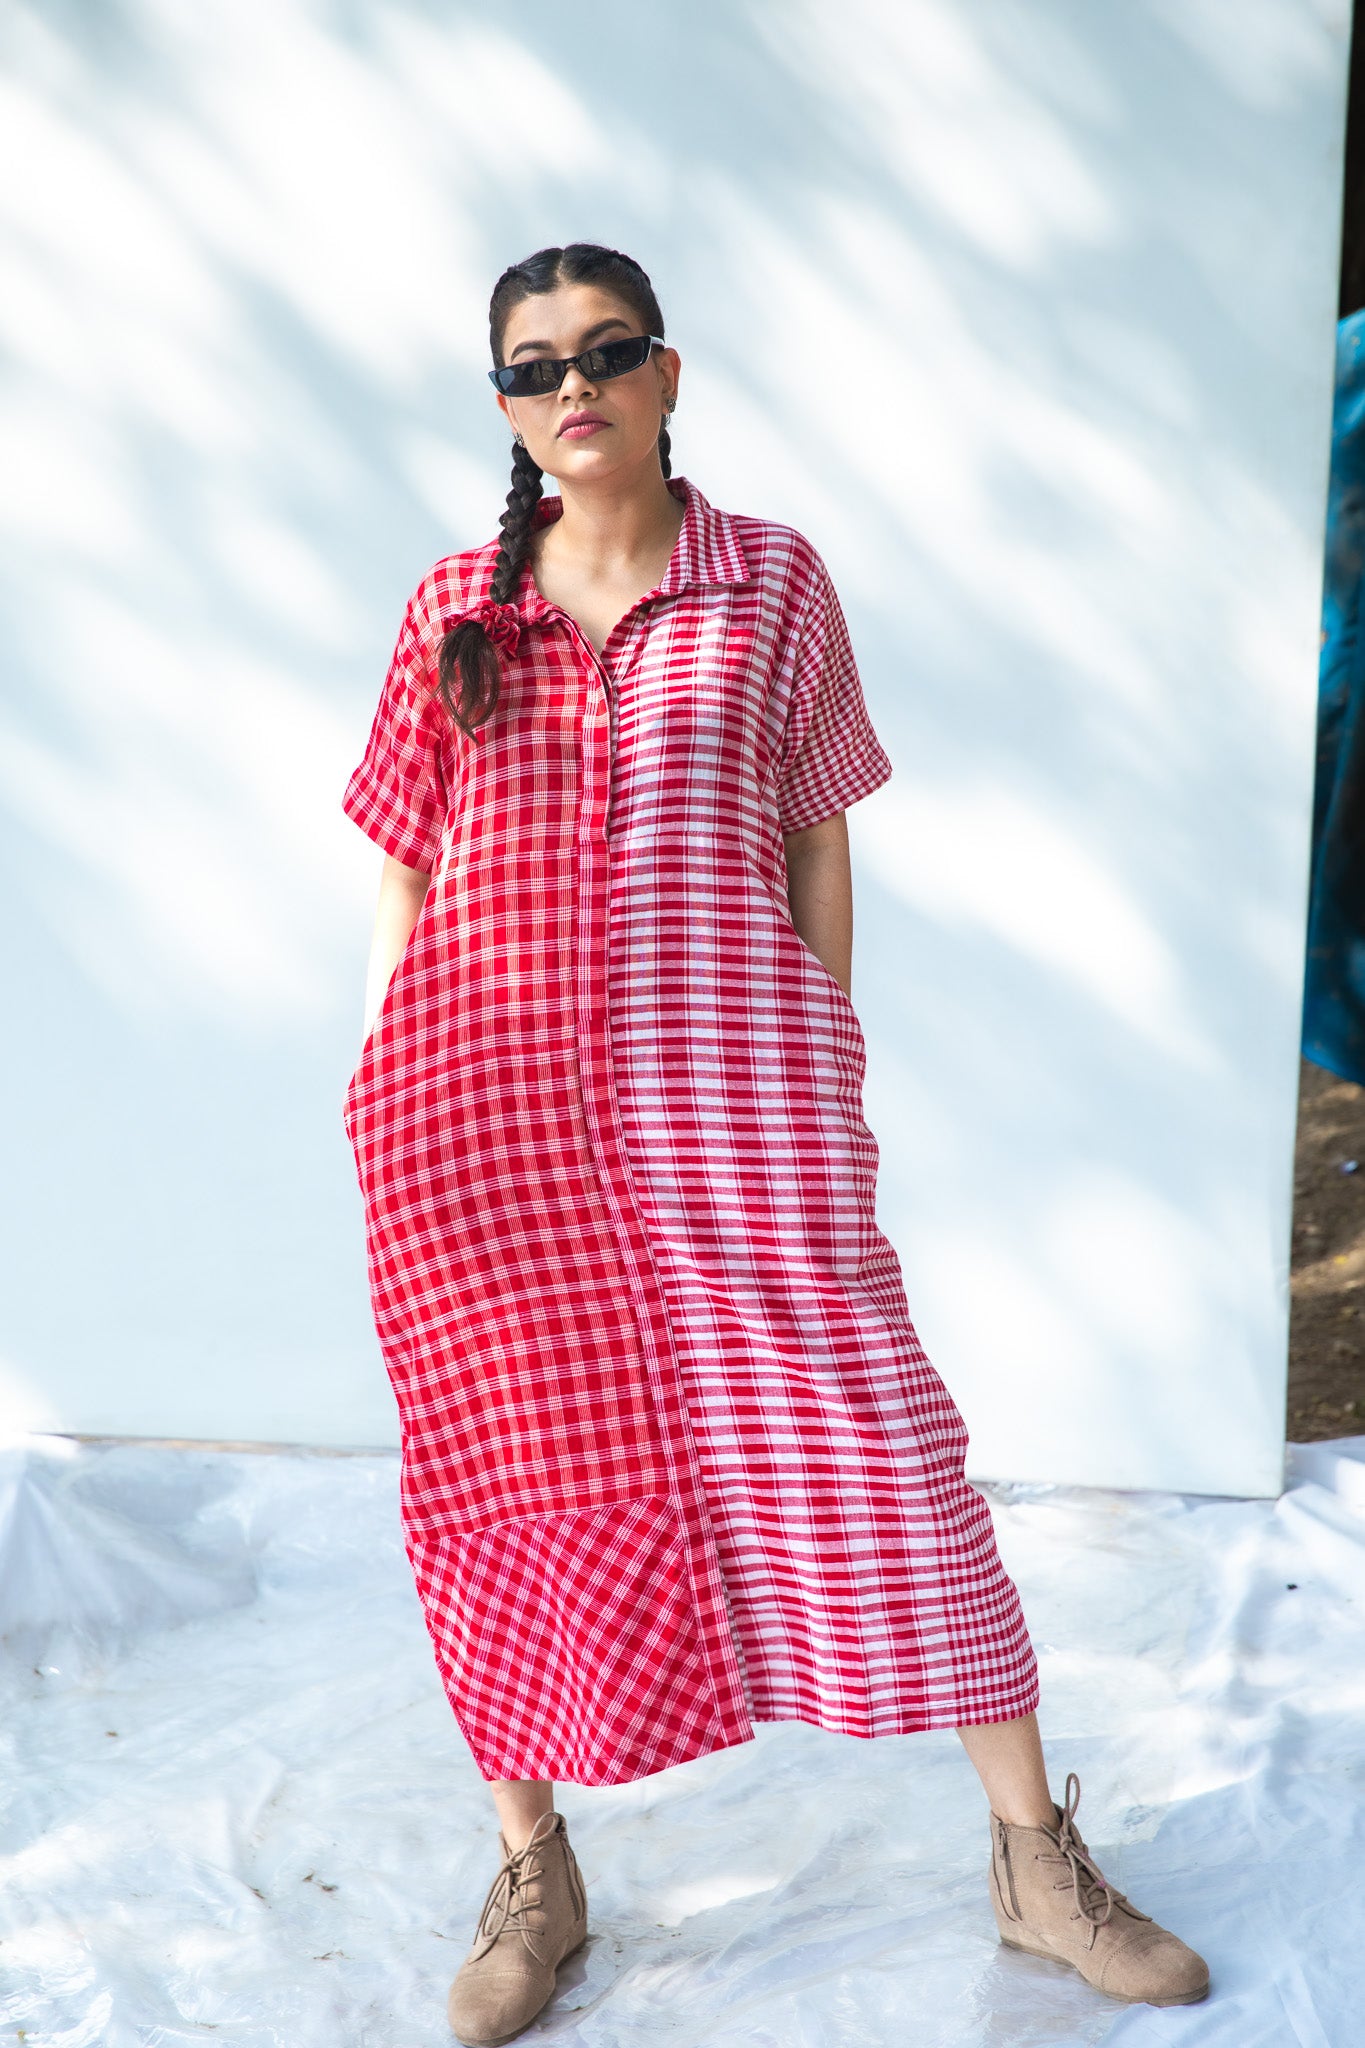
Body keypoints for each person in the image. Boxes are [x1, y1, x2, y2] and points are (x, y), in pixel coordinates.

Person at [341, 242, 1210, 2045]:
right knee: (496, 1478)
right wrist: (377, 1071)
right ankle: (534, 1868)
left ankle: (1035, 1858)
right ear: (501, 406)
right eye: (527, 368)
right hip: (476, 1114)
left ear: (670, 373)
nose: (567, 387)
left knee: (874, 1439)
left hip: (730, 1096)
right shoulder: (452, 606)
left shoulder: (771, 585)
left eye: (605, 351)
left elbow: (817, 828)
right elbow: (403, 856)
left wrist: (820, 1041)